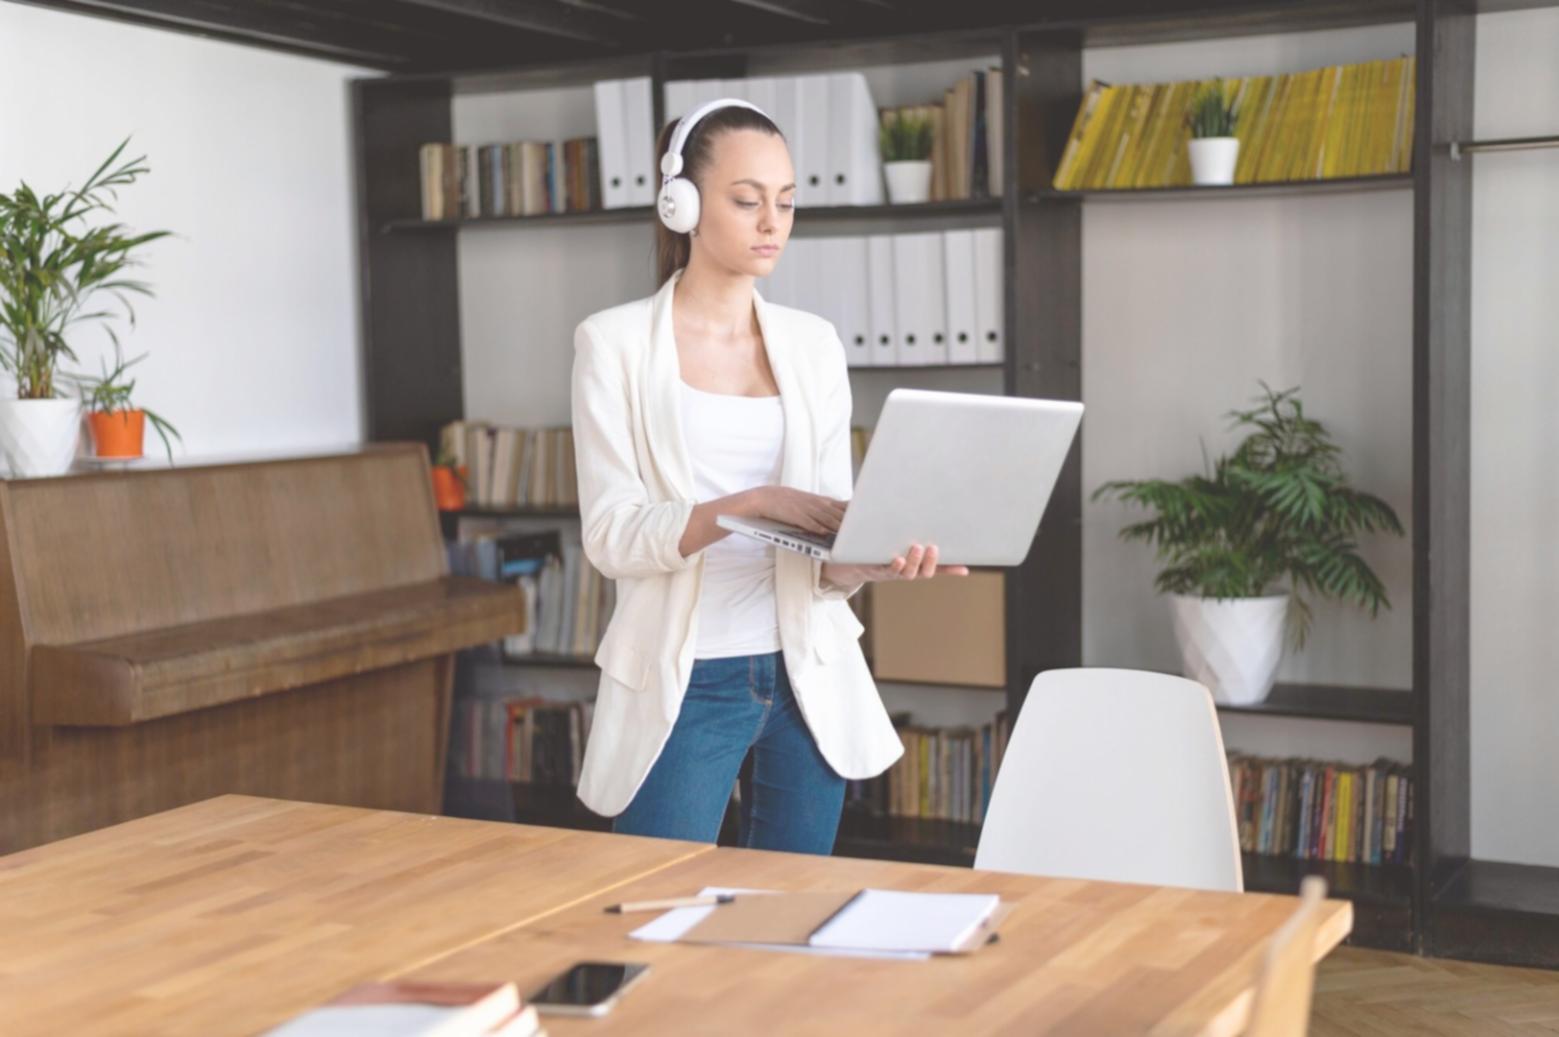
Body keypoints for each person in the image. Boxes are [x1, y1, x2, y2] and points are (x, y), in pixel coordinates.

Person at [569, 98, 967, 855]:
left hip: (805, 674)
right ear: (679, 204)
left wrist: (868, 558)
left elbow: (822, 542)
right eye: (747, 200)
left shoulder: (811, 345)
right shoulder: (613, 343)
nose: (770, 223)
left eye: (785, 203)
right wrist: (747, 505)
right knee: (651, 914)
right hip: (685, 681)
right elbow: (612, 536)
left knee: (786, 922)